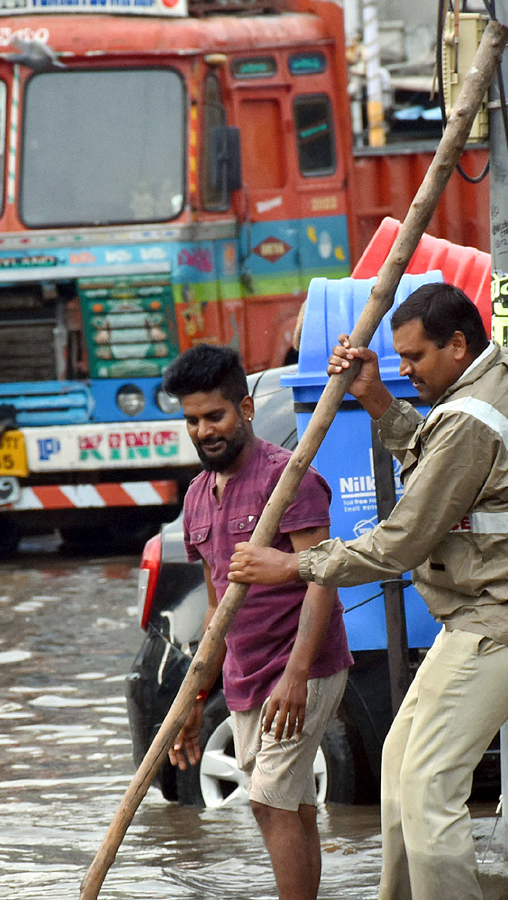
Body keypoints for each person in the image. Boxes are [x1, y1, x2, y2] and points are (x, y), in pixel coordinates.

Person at [228, 283, 508, 900]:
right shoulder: (493, 380)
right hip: (495, 605)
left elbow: (400, 542)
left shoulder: (473, 416)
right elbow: (438, 460)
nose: (404, 370)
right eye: (397, 358)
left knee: (427, 783)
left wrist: (292, 567)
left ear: (456, 344)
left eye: (414, 358)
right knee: (398, 762)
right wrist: (373, 398)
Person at [161, 343, 353, 900]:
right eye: (192, 420)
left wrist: (296, 675)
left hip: (304, 665)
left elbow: (322, 576)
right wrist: (196, 700)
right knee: (289, 803)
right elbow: (218, 608)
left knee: (267, 800)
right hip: (245, 678)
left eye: (214, 416)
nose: (203, 430)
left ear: (245, 409)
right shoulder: (198, 497)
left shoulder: (287, 478)